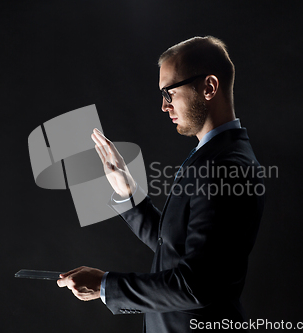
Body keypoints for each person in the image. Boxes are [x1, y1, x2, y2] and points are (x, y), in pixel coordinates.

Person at [57, 36, 265, 332]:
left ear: (209, 87)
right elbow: (173, 244)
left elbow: (196, 285)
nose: (164, 106)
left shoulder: (226, 167)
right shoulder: (211, 156)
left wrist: (105, 286)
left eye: (169, 92)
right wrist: (127, 191)